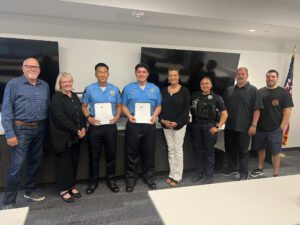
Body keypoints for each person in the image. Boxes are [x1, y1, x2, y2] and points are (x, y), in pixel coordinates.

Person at [1, 58, 50, 209]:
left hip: (41, 128)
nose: (32, 69)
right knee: (17, 166)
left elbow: (47, 106)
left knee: (35, 162)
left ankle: (29, 191)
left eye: (35, 67)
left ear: (39, 70)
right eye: (28, 66)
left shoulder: (45, 85)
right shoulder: (14, 84)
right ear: (23, 68)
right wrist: (9, 133)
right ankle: (8, 202)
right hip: (21, 129)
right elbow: (7, 109)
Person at [121, 63, 162, 192]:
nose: (141, 74)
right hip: (133, 123)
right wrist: (128, 116)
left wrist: (154, 117)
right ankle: (131, 179)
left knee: (149, 152)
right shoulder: (128, 88)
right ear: (135, 73)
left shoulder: (155, 88)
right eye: (139, 72)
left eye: (144, 72)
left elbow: (158, 106)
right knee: (131, 153)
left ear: (148, 74)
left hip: (149, 124)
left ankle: (149, 178)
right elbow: (123, 105)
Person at [82, 63, 121, 194]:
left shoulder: (115, 89)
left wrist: (117, 116)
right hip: (95, 127)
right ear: (96, 74)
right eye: (100, 72)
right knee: (94, 156)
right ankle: (93, 182)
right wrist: (88, 118)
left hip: (110, 126)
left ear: (108, 74)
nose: (102, 74)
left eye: (105, 72)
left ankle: (112, 181)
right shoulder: (89, 89)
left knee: (111, 156)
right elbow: (84, 106)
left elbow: (119, 105)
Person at [49, 72, 86, 203]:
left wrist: (83, 128)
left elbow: (80, 114)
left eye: (69, 81)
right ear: (59, 84)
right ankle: (63, 189)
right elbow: (60, 118)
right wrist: (76, 130)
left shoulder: (74, 95)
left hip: (76, 136)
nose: (67, 84)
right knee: (63, 164)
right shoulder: (57, 97)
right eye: (64, 82)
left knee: (73, 162)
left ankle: (71, 185)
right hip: (63, 137)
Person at [250, 69, 293, 178]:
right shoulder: (260, 92)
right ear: (266, 78)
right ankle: (260, 169)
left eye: (273, 76)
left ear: (277, 78)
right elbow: (255, 109)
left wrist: (281, 127)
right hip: (260, 128)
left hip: (275, 129)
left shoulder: (284, 93)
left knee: (275, 152)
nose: (270, 79)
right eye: (268, 76)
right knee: (260, 149)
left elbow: (287, 111)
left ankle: (275, 174)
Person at [223, 67, 263, 180]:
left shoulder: (253, 90)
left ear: (247, 75)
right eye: (238, 74)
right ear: (236, 76)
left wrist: (254, 125)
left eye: (243, 74)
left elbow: (257, 110)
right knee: (230, 149)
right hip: (230, 126)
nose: (240, 76)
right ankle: (232, 168)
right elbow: (223, 109)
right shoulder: (229, 90)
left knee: (243, 151)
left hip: (244, 128)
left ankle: (244, 173)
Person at [190, 77, 228, 184]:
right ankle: (199, 173)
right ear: (200, 85)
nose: (205, 85)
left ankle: (209, 176)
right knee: (198, 152)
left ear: (211, 85)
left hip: (209, 127)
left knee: (209, 153)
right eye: (202, 84)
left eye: (207, 83)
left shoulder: (217, 98)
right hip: (196, 126)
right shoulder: (194, 96)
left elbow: (225, 114)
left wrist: (218, 127)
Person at [159, 65, 190, 187]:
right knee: (171, 150)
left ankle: (178, 176)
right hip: (166, 126)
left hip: (179, 126)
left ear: (179, 77)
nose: (172, 77)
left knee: (177, 150)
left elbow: (186, 109)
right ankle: (172, 174)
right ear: (168, 77)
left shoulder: (185, 91)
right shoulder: (163, 91)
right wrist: (162, 120)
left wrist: (177, 122)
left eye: (175, 75)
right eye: (170, 75)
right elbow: (160, 107)